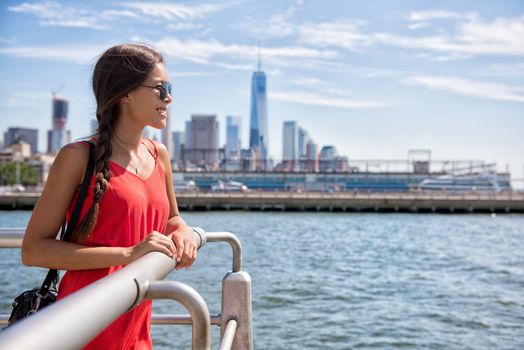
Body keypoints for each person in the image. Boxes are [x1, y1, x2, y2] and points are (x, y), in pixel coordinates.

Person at [21, 44, 199, 349]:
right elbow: (34, 250)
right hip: (84, 322)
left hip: (138, 324)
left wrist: (184, 232)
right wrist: (128, 255)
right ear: (126, 94)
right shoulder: (77, 157)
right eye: (161, 88)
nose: (169, 97)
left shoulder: (159, 154)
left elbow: (171, 217)